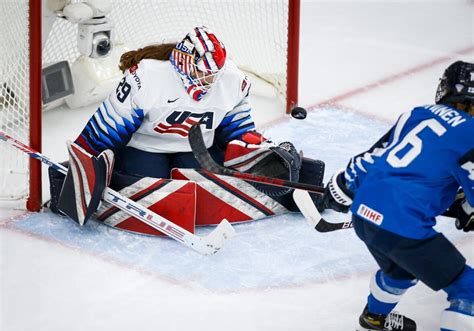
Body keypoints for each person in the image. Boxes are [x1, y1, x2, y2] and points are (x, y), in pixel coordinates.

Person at [49, 26, 324, 219]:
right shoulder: (148, 77)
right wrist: (78, 170)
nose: (209, 82)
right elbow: (105, 129)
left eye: (212, 75)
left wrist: (257, 148)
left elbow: (239, 130)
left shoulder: (231, 80)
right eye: (203, 75)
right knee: (151, 186)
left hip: (197, 152)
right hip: (146, 149)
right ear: (182, 63)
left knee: (202, 189)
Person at [318, 61, 474, 331]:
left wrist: (341, 186)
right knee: (469, 290)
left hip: (365, 216)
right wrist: (467, 211)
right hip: (402, 226)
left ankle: (374, 317)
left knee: (400, 271)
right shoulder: (472, 133)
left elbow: (372, 159)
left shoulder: (418, 113)